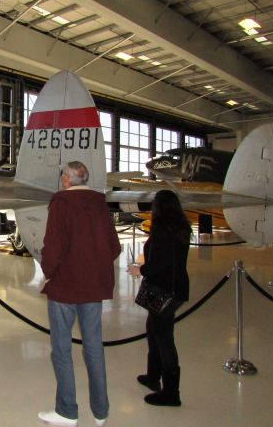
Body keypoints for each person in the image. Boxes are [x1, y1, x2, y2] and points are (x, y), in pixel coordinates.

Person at [38, 161, 121, 427]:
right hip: (93, 289)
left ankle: (67, 412)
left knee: (61, 350)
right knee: (94, 349)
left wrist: (49, 271)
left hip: (65, 288)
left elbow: (52, 247)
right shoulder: (99, 203)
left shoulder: (61, 203)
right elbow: (114, 247)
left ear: (66, 179)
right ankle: (100, 412)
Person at [128, 189, 191, 407]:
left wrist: (140, 270)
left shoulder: (163, 230)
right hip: (175, 288)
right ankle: (153, 376)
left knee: (165, 341)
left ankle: (171, 392)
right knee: (154, 330)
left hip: (164, 290)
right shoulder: (181, 227)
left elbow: (160, 264)